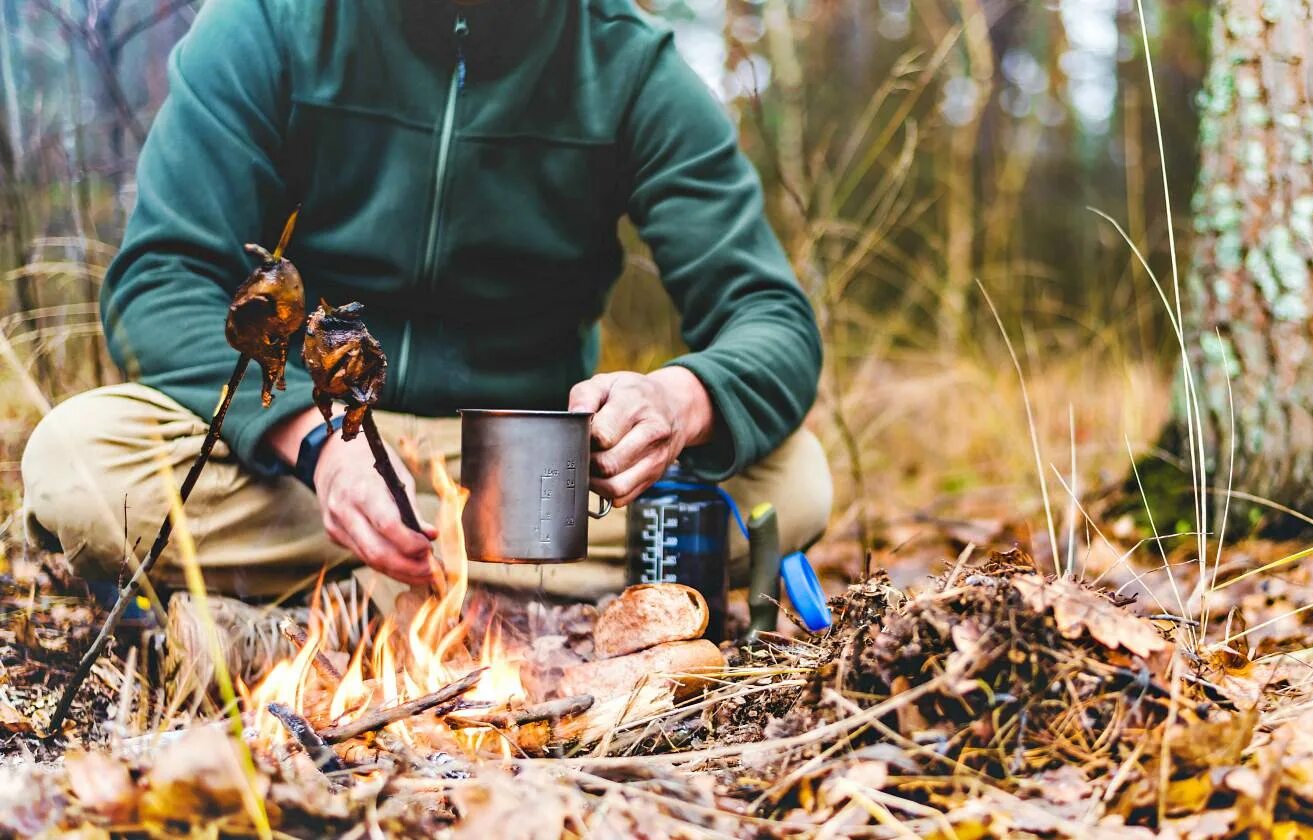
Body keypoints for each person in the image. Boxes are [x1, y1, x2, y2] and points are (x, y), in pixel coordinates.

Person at [20, 0, 831, 605]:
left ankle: (345, 601)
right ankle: (482, 595)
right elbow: (162, 278)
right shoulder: (269, 24)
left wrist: (677, 399)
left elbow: (769, 314)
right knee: (77, 465)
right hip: (303, 454)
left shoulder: (631, 68)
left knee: (791, 485)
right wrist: (320, 446)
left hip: (518, 474)